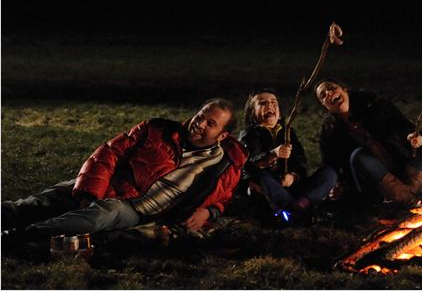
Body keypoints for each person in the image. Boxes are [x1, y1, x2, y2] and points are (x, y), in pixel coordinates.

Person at [2, 98, 247, 242]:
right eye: (200, 116)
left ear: (222, 135)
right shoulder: (157, 129)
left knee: (100, 215)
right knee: (47, 199)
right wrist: (89, 191)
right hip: (108, 183)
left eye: (210, 123)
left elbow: (224, 197)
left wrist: (209, 212)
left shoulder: (225, 164)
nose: (199, 124)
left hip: (136, 208)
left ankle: (19, 236)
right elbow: (108, 153)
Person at [315, 80, 422, 209]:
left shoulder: (374, 104)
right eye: (323, 95)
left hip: (409, 170)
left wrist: (411, 137)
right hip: (376, 187)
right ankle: (412, 199)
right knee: (358, 156)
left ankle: (406, 200)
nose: (328, 93)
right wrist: (335, 185)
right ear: (325, 107)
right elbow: (330, 165)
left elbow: (403, 126)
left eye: (331, 88)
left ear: (344, 89)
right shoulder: (331, 132)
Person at [239, 88, 336, 220]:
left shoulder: (288, 133)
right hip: (270, 189)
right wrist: (273, 155)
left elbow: (300, 160)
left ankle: (300, 205)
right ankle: (295, 210)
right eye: (262, 103)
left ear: (279, 113)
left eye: (274, 102)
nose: (269, 105)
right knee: (261, 178)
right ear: (252, 113)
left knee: (329, 173)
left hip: (293, 187)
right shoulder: (249, 135)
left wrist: (293, 176)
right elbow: (250, 163)